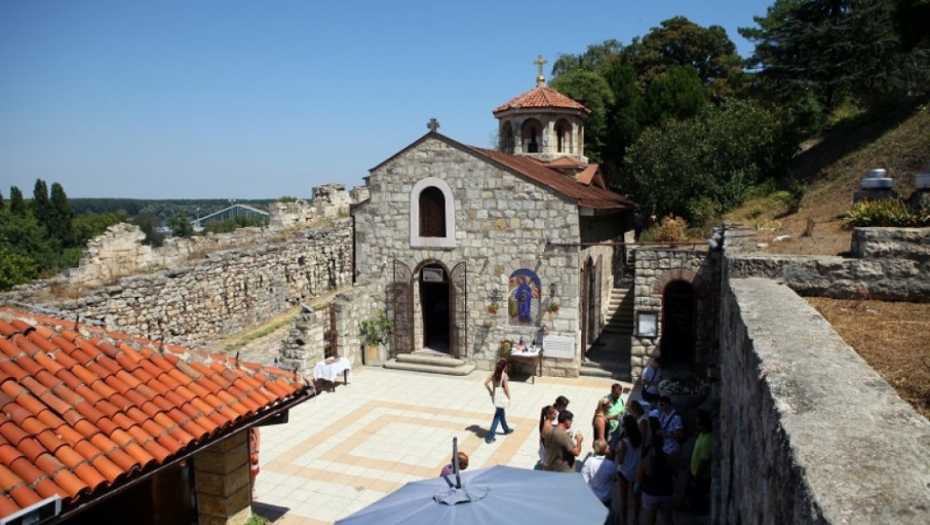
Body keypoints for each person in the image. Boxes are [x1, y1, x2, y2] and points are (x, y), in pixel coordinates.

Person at [636, 435, 675, 525]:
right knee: (668, 520)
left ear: (652, 445)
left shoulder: (646, 461)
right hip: (666, 494)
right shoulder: (670, 459)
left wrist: (636, 492)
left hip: (650, 495)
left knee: (650, 522)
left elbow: (638, 481)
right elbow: (675, 473)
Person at [617, 416, 643, 525]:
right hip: (636, 472)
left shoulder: (625, 442)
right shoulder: (639, 439)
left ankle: (624, 521)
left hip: (624, 472)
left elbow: (620, 460)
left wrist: (618, 451)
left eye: (623, 426)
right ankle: (636, 519)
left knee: (624, 498)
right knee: (636, 497)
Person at [687, 411, 712, 514]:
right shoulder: (701, 435)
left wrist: (696, 479)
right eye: (696, 423)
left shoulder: (708, 439)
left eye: (699, 424)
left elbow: (704, 461)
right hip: (694, 473)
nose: (697, 426)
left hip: (701, 477)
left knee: (698, 502)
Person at [484, 359, 513, 443]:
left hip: (494, 397)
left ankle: (506, 429)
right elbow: (506, 389)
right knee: (497, 417)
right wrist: (508, 398)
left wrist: (490, 391)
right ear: (504, 367)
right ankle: (490, 436)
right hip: (501, 398)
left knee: (501, 413)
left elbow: (485, 383)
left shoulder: (493, 374)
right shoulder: (504, 376)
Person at [581, 439, 615, 507]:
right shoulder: (610, 464)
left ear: (594, 449)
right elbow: (614, 477)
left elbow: (583, 476)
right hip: (606, 497)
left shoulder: (589, 461)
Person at [657, 396, 684, 469]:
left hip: (673, 450)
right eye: (659, 405)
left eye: (662, 405)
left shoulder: (676, 417)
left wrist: (667, 436)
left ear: (668, 404)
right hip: (664, 448)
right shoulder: (662, 415)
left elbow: (680, 434)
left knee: (672, 469)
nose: (660, 407)